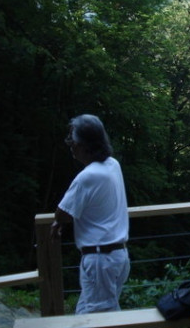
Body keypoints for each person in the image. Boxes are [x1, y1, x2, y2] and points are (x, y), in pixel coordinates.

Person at [51, 114, 130, 314]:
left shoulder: (87, 176)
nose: (71, 145)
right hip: (118, 256)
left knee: (100, 319)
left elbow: (62, 214)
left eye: (73, 140)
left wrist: (60, 222)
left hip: (99, 260)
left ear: (85, 145)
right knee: (85, 313)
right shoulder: (113, 165)